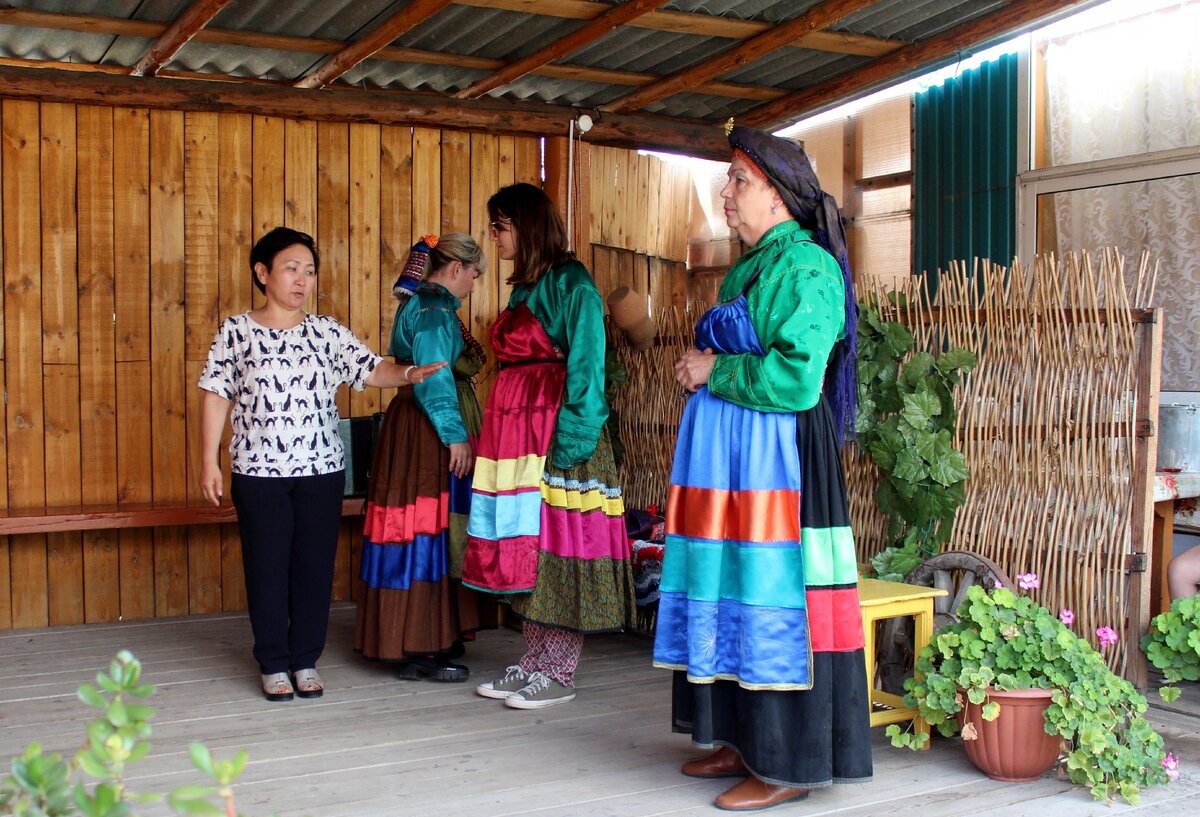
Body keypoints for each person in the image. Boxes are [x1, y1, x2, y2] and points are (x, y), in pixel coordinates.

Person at [651, 125, 873, 811]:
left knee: (773, 594)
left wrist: (715, 369)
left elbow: (798, 378)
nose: (726, 192)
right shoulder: (755, 264)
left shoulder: (808, 268)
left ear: (777, 195)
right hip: (736, 466)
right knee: (731, 584)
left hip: (781, 465)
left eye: (738, 180)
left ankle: (785, 760)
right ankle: (738, 737)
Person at [198, 226, 445, 702]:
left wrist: (409, 373)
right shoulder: (236, 331)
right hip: (258, 473)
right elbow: (215, 395)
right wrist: (208, 462)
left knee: (313, 567)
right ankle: (273, 661)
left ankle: (304, 658)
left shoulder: (326, 332)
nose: (302, 280)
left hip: (322, 471)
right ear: (262, 272)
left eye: (309, 271)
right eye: (291, 269)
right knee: (266, 567)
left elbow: (371, 368)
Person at [462, 182, 634, 710]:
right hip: (517, 433)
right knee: (526, 544)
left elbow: (588, 365)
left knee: (559, 546)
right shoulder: (528, 285)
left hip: (555, 431)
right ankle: (535, 660)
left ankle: (558, 671)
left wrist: (574, 439)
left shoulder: (571, 283)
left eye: (500, 226)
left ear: (528, 225)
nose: (493, 238)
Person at [356, 233, 496, 680]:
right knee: (428, 527)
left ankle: (409, 636)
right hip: (429, 428)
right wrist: (455, 436)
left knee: (409, 525)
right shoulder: (435, 312)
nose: (474, 284)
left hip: (408, 424)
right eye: (474, 275)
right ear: (456, 269)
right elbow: (434, 379)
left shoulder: (418, 303)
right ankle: (422, 644)